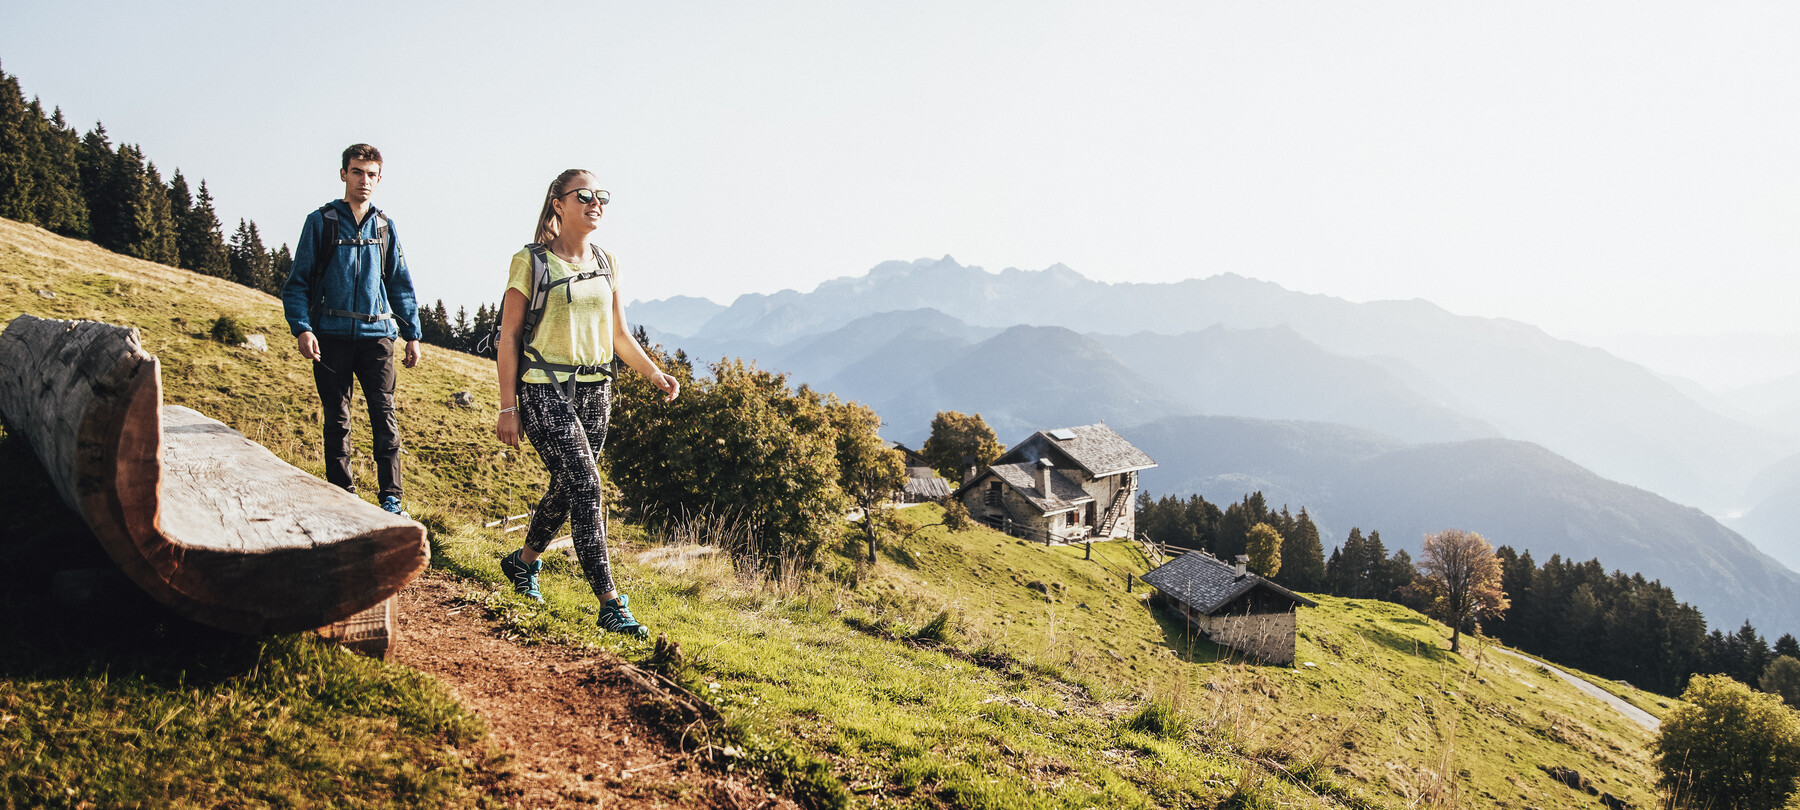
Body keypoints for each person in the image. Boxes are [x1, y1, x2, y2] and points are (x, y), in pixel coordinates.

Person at [494, 169, 679, 637]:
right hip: (543, 388)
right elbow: (509, 338)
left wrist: (653, 372)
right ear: (558, 203)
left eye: (601, 197)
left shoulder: (605, 260)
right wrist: (507, 406)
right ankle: (610, 604)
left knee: (570, 484)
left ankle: (522, 563)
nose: (596, 203)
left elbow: (618, 335)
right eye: (585, 196)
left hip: (598, 391)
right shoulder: (531, 262)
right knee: (588, 486)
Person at [281, 143, 423, 515]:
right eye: (357, 172)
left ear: (379, 178)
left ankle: (391, 499)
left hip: (377, 337)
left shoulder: (385, 226)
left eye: (371, 174)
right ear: (343, 173)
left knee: (384, 415)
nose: (364, 180)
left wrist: (412, 334)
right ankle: (341, 494)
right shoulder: (322, 221)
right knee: (337, 417)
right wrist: (302, 328)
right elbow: (298, 282)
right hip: (329, 336)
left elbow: (400, 282)